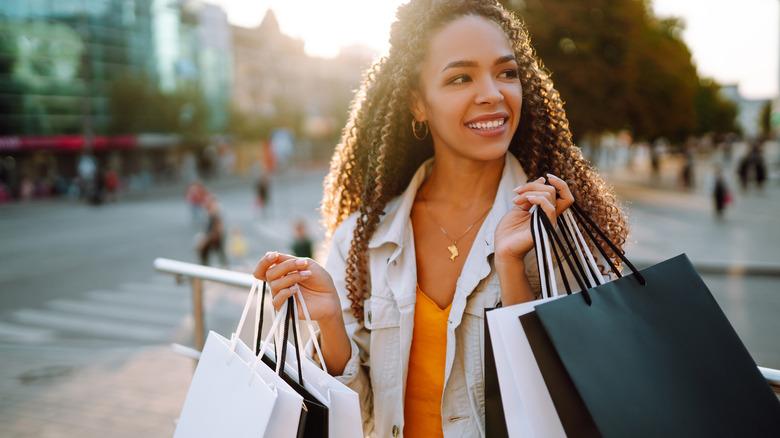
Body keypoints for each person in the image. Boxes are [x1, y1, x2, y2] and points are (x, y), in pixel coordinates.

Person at [253, 1, 628, 436]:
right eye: (460, 77)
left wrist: (511, 270)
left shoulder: (557, 228)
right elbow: (359, 422)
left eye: (506, 72)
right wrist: (330, 322)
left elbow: (566, 404)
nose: (492, 92)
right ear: (418, 103)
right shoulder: (359, 238)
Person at [199, 195, 228, 267]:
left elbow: (213, 227)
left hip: (215, 236)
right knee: (220, 253)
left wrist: (206, 238)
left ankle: (206, 267)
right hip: (215, 236)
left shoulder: (214, 214)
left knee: (210, 252)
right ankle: (223, 266)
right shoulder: (212, 213)